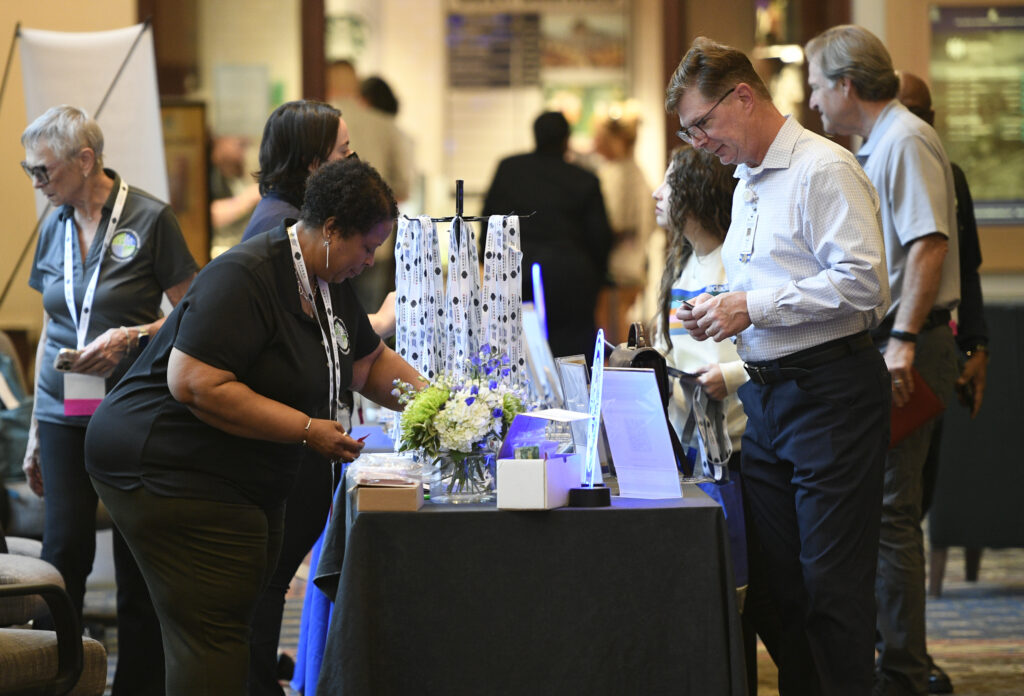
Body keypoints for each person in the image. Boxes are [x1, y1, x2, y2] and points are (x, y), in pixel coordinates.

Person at [84, 158, 423, 695]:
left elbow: (367, 363)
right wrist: (308, 429)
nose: (372, 259)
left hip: (223, 468)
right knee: (213, 629)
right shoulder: (246, 274)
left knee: (233, 618)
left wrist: (439, 408)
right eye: (368, 245)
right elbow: (194, 382)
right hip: (162, 460)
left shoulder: (325, 277)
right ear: (331, 230)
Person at [671, 37, 891, 695]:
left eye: (703, 123)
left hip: (831, 394)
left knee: (831, 591)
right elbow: (766, 289)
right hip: (766, 403)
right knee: (773, 587)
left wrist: (752, 305)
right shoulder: (745, 182)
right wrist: (720, 309)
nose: (699, 141)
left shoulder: (825, 169)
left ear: (743, 96)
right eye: (688, 131)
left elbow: (865, 284)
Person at [20, 104, 198, 695]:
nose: (36, 183)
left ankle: (138, 685)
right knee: (62, 545)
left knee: (132, 549)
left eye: (42, 171)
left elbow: (192, 315)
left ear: (85, 160)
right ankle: (54, 676)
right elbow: (53, 324)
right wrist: (35, 432)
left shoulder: (149, 218)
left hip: (130, 408)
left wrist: (131, 336)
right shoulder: (53, 222)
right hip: (63, 404)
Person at [805, 26, 961, 696]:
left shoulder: (904, 139)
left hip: (909, 342)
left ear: (845, 85)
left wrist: (900, 340)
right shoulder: (880, 143)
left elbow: (928, 245)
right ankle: (890, 658)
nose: (811, 101)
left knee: (895, 510)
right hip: (894, 338)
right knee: (883, 506)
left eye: (816, 84)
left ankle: (903, 669)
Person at [238, 98, 391, 695]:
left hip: (296, 445)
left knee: (267, 591)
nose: (354, 164)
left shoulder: (303, 230)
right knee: (261, 592)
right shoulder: (281, 235)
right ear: (310, 167)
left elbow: (360, 355)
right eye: (343, 155)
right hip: (278, 451)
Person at [651, 144, 757, 692]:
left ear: (693, 192)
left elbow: (760, 350)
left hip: (732, 452)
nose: (655, 195)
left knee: (734, 586)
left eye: (667, 185)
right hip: (691, 450)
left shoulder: (734, 262)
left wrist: (730, 375)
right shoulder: (680, 261)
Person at [899, 69, 989, 695]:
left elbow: (969, 267)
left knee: (912, 504)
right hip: (887, 355)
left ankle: (903, 654)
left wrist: (976, 346)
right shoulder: (863, 161)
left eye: (920, 113)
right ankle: (897, 650)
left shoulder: (945, 173)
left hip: (928, 349)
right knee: (894, 512)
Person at [481, 110, 613, 363]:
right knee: (574, 357)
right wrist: (597, 276)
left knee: (520, 351)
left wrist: (487, 265)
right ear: (567, 139)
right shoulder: (584, 179)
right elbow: (600, 237)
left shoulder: (509, 169)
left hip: (518, 273)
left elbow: (490, 222)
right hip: (572, 277)